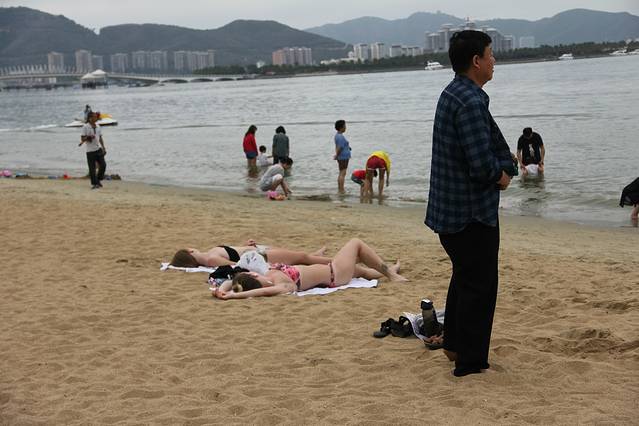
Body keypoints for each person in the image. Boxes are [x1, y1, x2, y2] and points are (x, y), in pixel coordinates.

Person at [425, 30, 515, 377]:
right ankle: (470, 362)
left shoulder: (453, 92)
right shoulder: (470, 102)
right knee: (480, 286)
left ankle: (454, 345)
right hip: (470, 214)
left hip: (451, 211)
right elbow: (480, 165)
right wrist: (502, 176)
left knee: (465, 277)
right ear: (476, 61)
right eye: (491, 55)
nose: (494, 61)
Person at [213, 238, 407, 299]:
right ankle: (391, 274)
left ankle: (391, 270)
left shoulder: (265, 274)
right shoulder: (281, 284)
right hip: (335, 273)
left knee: (364, 272)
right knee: (356, 243)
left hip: (333, 271)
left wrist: (222, 291)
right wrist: (233, 297)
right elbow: (264, 292)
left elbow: (232, 281)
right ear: (254, 277)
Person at [170, 239, 332, 268]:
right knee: (301, 257)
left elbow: (233, 253)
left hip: (258, 251)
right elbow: (238, 265)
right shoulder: (211, 259)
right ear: (190, 251)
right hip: (261, 256)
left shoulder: (209, 254)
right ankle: (334, 261)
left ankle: (315, 256)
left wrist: (244, 246)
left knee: (298, 256)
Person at [78, 111, 107, 189]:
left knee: (103, 165)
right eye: (94, 117)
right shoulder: (85, 127)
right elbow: (82, 139)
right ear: (90, 118)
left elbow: (100, 137)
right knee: (92, 168)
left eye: (96, 116)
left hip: (98, 149)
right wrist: (88, 137)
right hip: (90, 151)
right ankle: (95, 184)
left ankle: (98, 179)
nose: (96, 118)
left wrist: (103, 147)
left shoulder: (98, 126)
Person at [333, 120, 351, 193]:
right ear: (341, 127)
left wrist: (348, 147)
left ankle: (340, 189)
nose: (345, 127)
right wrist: (337, 155)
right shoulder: (340, 136)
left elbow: (340, 146)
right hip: (343, 157)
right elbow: (339, 147)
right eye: (344, 126)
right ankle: (341, 189)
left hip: (342, 156)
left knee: (341, 173)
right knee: (342, 173)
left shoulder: (338, 135)